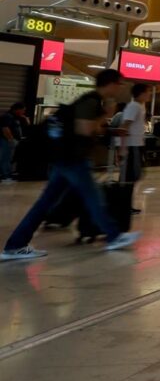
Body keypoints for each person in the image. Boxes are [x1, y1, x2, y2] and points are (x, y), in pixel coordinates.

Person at [2, 69, 140, 260]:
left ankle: (15, 244)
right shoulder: (91, 101)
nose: (121, 87)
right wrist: (105, 114)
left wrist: (109, 128)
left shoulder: (91, 101)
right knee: (93, 198)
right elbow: (85, 130)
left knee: (45, 203)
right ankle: (114, 236)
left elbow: (93, 129)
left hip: (66, 160)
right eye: (119, 83)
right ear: (111, 83)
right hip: (73, 160)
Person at [118, 83, 150, 214]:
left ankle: (125, 205)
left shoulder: (139, 107)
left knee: (133, 176)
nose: (149, 95)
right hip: (132, 146)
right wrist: (122, 148)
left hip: (136, 145)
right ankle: (123, 205)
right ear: (141, 93)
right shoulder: (134, 106)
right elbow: (124, 127)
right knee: (129, 177)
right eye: (148, 92)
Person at [1, 102, 27, 184]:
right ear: (17, 109)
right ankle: (5, 176)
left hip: (11, 141)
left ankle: (7, 174)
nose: (23, 112)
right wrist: (11, 140)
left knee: (9, 158)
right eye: (22, 110)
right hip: (6, 141)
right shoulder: (7, 116)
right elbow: (5, 129)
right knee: (6, 158)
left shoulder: (14, 117)